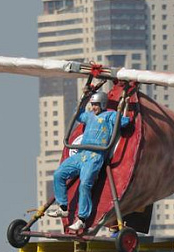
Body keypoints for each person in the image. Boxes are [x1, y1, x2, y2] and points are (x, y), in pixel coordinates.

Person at [47, 91, 132, 231]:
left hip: (95, 155)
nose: (93, 108)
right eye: (92, 105)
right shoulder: (90, 116)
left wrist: (124, 107)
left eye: (95, 105)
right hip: (82, 153)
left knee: (85, 184)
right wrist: (85, 99)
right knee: (59, 174)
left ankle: (82, 218)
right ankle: (63, 207)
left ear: (103, 104)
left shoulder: (109, 115)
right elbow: (78, 115)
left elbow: (124, 122)